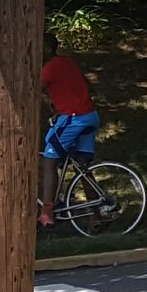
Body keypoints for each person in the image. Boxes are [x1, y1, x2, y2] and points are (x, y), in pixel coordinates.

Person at [40, 33, 99, 224]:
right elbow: (87, 86)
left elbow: (32, 91)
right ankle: (95, 214)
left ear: (47, 49)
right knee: (81, 165)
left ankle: (47, 212)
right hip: (90, 115)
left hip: (73, 118)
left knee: (49, 160)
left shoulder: (49, 68)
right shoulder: (68, 62)